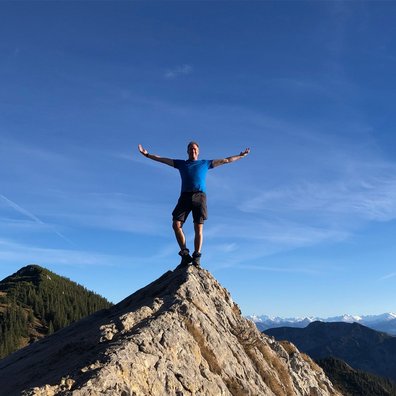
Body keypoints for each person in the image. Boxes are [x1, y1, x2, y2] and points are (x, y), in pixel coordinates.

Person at [138, 141, 250, 267]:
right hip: (185, 196)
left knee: (198, 228)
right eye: (191, 149)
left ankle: (197, 256)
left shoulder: (205, 163)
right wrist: (147, 155)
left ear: (198, 151)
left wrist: (241, 156)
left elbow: (226, 160)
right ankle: (185, 254)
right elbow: (163, 159)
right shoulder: (181, 164)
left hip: (200, 196)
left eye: (195, 149)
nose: (193, 151)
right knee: (176, 224)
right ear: (187, 151)